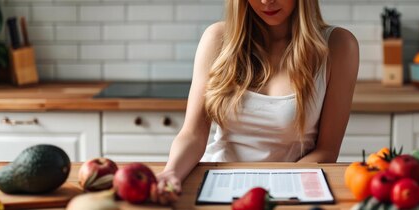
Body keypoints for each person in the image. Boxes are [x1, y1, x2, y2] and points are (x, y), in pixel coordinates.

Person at [153, 0, 359, 203]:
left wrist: (269, 192)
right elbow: (193, 134)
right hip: (218, 185)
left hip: (289, 189)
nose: (266, 1)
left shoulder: (339, 46)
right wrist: (171, 173)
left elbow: (327, 151)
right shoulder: (217, 39)